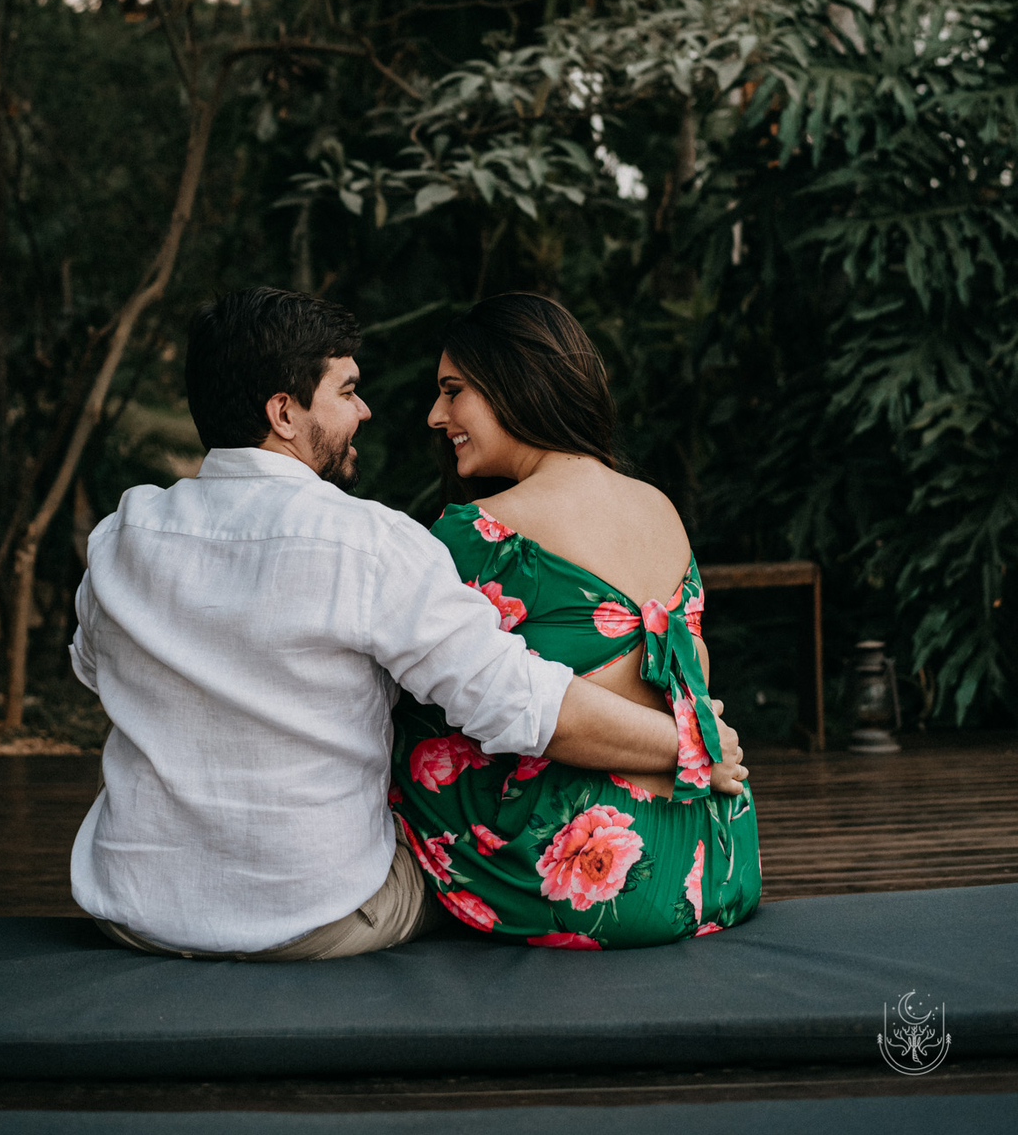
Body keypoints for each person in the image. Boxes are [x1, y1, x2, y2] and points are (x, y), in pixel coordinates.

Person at [69, 286, 748, 961]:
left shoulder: (119, 537)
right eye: (346, 391)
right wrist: (694, 743)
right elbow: (519, 701)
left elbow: (93, 666)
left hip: (132, 907)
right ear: (283, 413)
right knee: (438, 704)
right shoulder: (369, 543)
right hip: (317, 917)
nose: (367, 410)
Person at [390, 293, 761, 948]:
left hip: (597, 884)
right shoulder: (658, 508)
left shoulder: (476, 535)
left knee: (398, 696)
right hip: (718, 861)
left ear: (515, 383)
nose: (435, 416)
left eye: (453, 391)